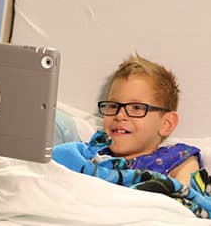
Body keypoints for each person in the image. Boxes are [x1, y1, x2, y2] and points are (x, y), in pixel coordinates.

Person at [54, 54, 202, 184]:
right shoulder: (91, 154)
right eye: (113, 106)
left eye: (136, 108)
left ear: (166, 124)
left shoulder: (176, 158)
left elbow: (186, 195)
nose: (119, 115)